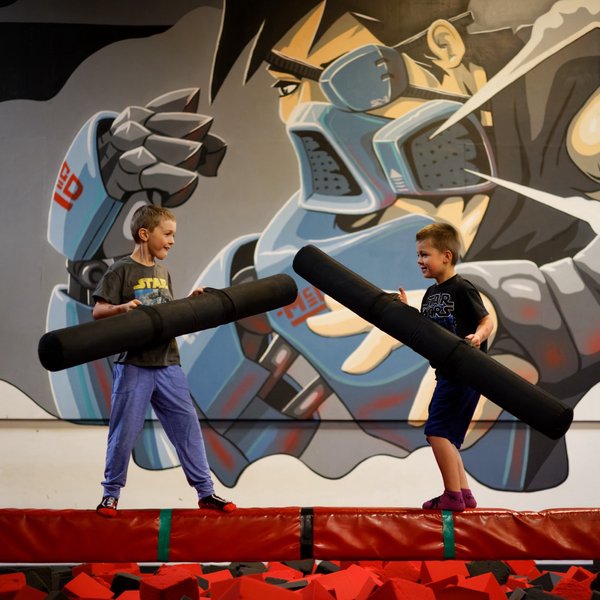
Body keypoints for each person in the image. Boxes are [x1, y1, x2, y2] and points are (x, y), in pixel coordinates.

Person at [92, 204, 236, 517]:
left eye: (173, 235)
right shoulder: (121, 271)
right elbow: (98, 311)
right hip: (134, 364)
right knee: (124, 432)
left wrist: (190, 304)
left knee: (187, 428)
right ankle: (110, 495)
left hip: (168, 363)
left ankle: (206, 493)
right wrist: (121, 309)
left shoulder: (163, 273)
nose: (172, 241)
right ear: (145, 234)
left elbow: (165, 314)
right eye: (167, 234)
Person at [399, 223, 493, 511]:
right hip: (448, 375)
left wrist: (478, 336)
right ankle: (464, 493)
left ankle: (452, 495)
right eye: (418, 255)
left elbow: (486, 320)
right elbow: (425, 331)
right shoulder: (430, 294)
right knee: (447, 436)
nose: (419, 260)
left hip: (463, 373)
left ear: (446, 256)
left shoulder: (462, 288)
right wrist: (404, 312)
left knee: (436, 431)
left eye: (425, 254)